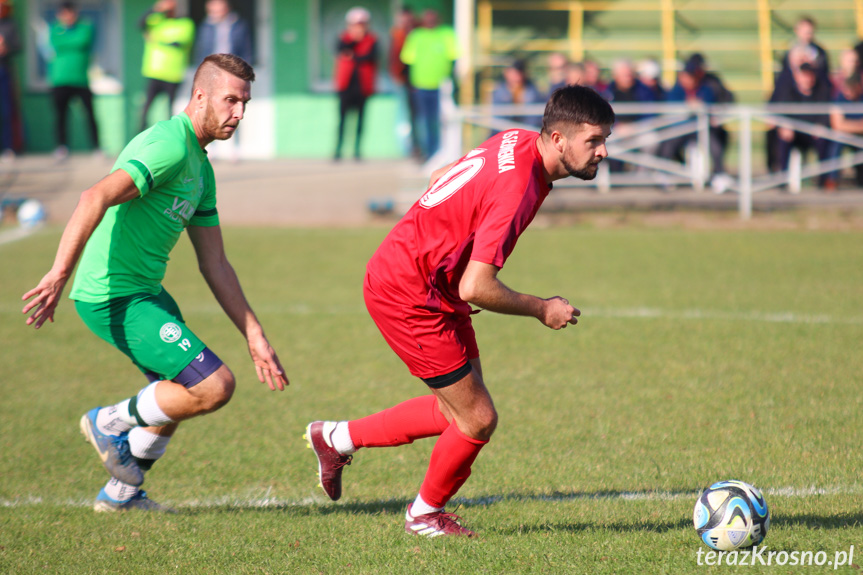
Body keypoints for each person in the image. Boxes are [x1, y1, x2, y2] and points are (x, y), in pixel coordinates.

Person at [304, 85, 614, 538]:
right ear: (559, 140)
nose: (603, 152)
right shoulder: (520, 185)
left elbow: (442, 174)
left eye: (605, 140)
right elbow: (478, 286)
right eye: (594, 141)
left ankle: (336, 438)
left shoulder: (514, 138)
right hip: (407, 292)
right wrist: (541, 308)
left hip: (429, 281)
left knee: (460, 409)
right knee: (477, 418)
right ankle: (424, 515)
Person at [21, 54, 288, 513]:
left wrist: (254, 333)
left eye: (245, 103)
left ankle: (121, 495)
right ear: (200, 95)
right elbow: (95, 196)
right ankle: (107, 422)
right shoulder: (168, 145)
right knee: (214, 385)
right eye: (230, 101)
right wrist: (59, 273)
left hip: (145, 291)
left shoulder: (200, 169)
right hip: (111, 294)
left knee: (177, 388)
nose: (239, 114)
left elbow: (216, 263)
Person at [399, 9, 458, 160]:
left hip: (441, 87)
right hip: (420, 86)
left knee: (440, 120)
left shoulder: (447, 34)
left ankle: (438, 152)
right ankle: (427, 153)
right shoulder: (416, 36)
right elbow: (407, 60)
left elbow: (454, 57)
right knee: (423, 120)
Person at [659, 60, 728, 188]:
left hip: (700, 129)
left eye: (692, 76)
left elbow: (712, 107)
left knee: (715, 146)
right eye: (687, 76)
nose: (689, 80)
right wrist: (688, 106)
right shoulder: (675, 91)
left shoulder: (705, 89)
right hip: (680, 129)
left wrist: (702, 108)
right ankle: (664, 174)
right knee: (667, 145)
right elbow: (670, 110)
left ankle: (720, 174)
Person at [769, 53, 833, 189]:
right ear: (797, 77)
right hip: (794, 134)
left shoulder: (821, 91)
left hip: (813, 134)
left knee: (824, 139)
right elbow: (779, 113)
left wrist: (821, 126)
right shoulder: (788, 91)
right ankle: (782, 180)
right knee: (782, 139)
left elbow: (827, 113)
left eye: (810, 75)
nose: (807, 78)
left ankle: (824, 181)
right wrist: (784, 125)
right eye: (804, 75)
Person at [48, 2, 100, 162]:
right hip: (60, 79)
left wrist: (67, 40)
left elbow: (82, 41)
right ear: (60, 15)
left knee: (90, 114)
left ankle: (97, 147)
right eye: (64, 13)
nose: (67, 17)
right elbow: (56, 43)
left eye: (70, 13)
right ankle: (62, 147)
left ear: (75, 13)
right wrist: (71, 42)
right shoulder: (54, 28)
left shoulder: (86, 27)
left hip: (80, 79)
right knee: (61, 116)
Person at [139, 0, 195, 130]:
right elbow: (140, 23)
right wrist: (155, 9)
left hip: (173, 74)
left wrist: (157, 40)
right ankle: (139, 135)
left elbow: (179, 43)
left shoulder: (185, 24)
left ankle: (171, 136)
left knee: (171, 110)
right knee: (145, 109)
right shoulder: (157, 21)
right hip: (153, 72)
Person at [333, 7, 378, 161]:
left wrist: (353, 56)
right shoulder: (343, 38)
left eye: (361, 24)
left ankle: (357, 151)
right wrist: (354, 42)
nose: (358, 27)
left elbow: (370, 57)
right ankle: (338, 150)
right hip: (345, 86)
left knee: (360, 121)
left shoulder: (372, 40)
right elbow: (340, 50)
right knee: (342, 120)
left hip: (362, 87)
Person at [389, 7, 420, 159]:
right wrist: (395, 75)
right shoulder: (397, 34)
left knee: (418, 115)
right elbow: (393, 56)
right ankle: (408, 147)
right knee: (405, 115)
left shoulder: (417, 32)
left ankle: (417, 146)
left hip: (418, 80)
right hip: (403, 80)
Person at [827, 74, 863, 188]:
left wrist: (846, 125)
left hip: (859, 137)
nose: (848, 92)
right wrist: (857, 126)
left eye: (851, 89)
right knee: (836, 145)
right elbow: (837, 125)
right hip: (844, 136)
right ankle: (831, 181)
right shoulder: (840, 98)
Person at [193, 0, 252, 65]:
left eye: (218, 10)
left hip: (234, 66)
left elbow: (246, 51)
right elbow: (200, 51)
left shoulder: (239, 26)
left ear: (226, 8)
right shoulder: (205, 27)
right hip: (211, 66)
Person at [491, 59, 544, 128]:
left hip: (527, 133)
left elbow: (534, 120)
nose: (517, 76)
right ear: (506, 73)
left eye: (519, 73)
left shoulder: (533, 91)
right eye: (514, 73)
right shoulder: (499, 92)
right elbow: (497, 120)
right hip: (505, 133)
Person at [0, 0, 22, 160]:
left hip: (3, 70)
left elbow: (18, 46)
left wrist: (6, 47)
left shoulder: (10, 25)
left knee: (7, 110)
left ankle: (9, 147)